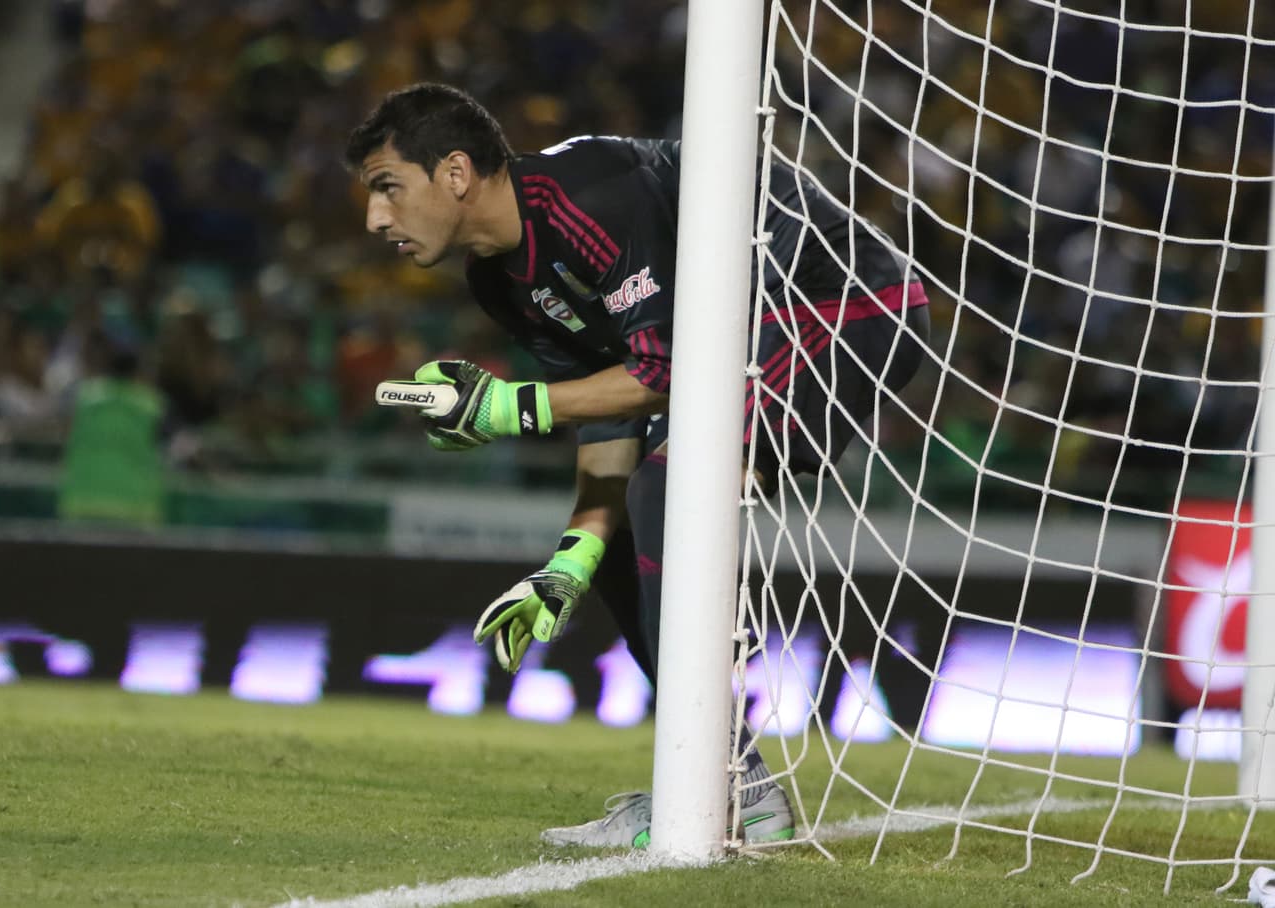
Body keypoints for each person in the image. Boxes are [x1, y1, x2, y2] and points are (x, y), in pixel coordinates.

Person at [345, 83, 930, 848]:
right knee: (632, 522)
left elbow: (665, 370)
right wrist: (572, 559)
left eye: (388, 187)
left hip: (842, 302)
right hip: (750, 334)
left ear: (455, 173)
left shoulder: (588, 196)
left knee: (672, 486)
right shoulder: (499, 277)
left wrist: (512, 408)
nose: (374, 218)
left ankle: (722, 783)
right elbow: (608, 403)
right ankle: (725, 777)